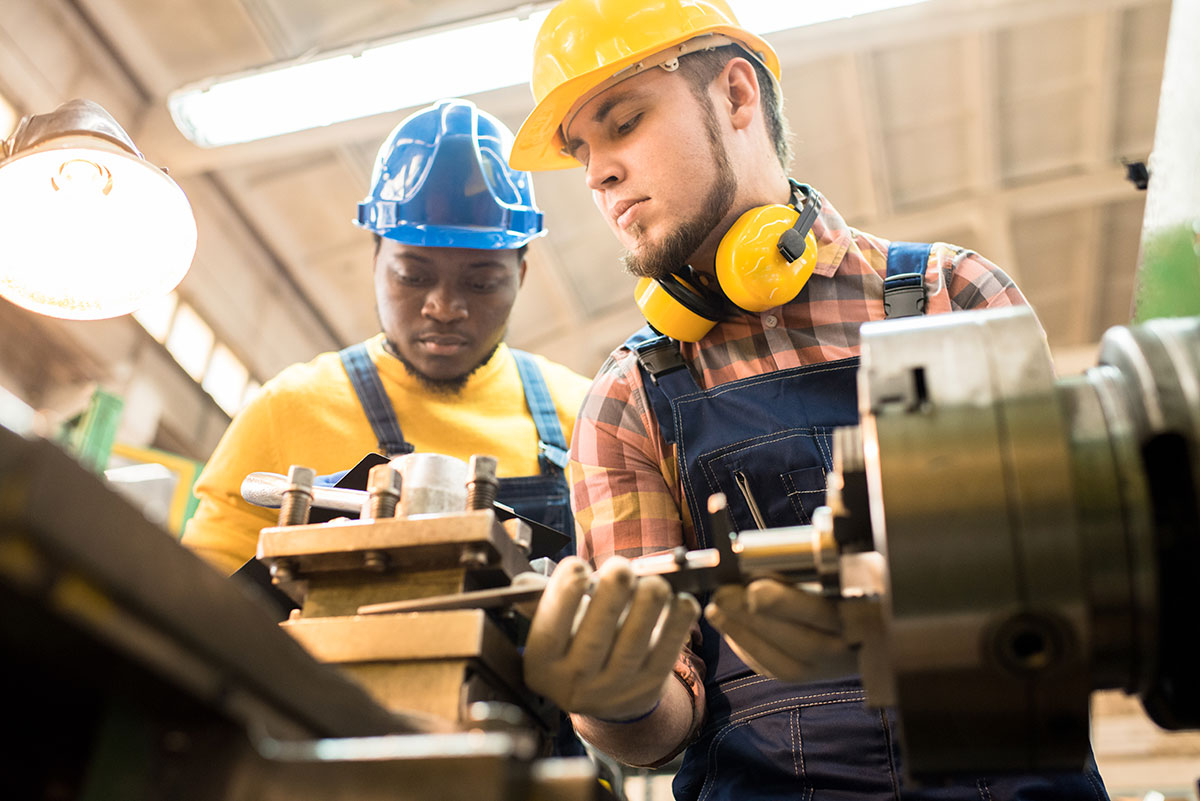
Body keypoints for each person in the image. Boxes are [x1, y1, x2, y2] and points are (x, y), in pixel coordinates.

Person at [511, 1, 1109, 799]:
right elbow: (662, 727)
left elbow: (1085, 584)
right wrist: (613, 697)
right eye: (582, 150)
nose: (596, 174)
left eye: (623, 123)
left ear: (736, 95)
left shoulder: (951, 297)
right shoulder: (629, 399)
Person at [181, 98, 591, 576]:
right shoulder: (288, 410)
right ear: (376, 262)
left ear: (519, 276)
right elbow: (202, 592)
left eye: (481, 283)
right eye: (413, 277)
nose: (443, 307)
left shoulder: (584, 418)